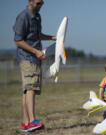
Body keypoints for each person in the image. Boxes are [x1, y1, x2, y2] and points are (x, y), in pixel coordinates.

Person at [13, 0, 56, 132]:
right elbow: (18, 40)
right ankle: (32, 121)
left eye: (42, 3)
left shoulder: (37, 16)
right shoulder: (23, 17)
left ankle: (25, 123)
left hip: (35, 58)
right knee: (31, 88)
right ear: (30, 1)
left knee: (27, 90)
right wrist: (36, 51)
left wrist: (52, 38)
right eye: (37, 3)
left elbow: (37, 36)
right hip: (27, 58)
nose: (40, 6)